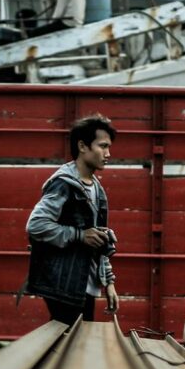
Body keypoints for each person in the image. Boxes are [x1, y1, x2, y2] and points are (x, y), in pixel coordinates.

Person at [24, 115, 119, 325]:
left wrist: (109, 283)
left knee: (77, 341)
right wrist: (80, 235)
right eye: (103, 146)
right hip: (63, 285)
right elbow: (36, 225)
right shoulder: (64, 184)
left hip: (85, 284)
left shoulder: (97, 189)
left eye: (109, 147)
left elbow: (98, 241)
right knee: (72, 341)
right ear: (82, 146)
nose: (108, 154)